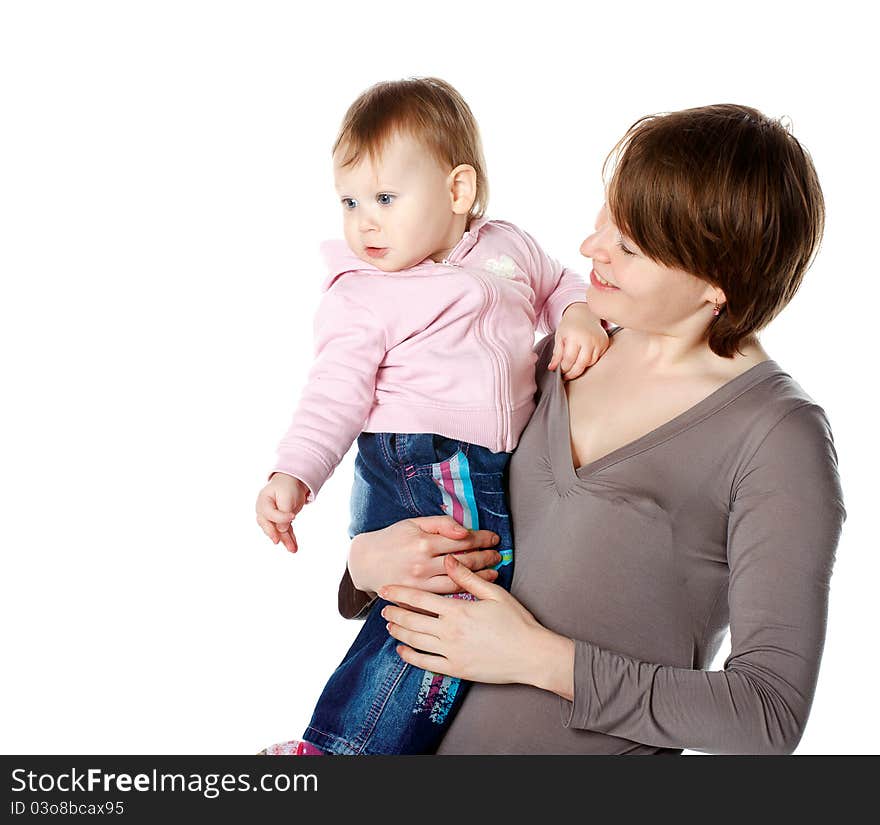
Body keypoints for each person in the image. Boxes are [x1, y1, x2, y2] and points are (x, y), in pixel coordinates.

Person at [310, 103, 845, 755]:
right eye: (605, 221)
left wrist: (538, 658)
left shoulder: (778, 437)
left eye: (630, 246)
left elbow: (767, 714)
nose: (592, 249)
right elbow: (443, 509)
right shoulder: (554, 358)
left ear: (716, 284)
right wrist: (365, 563)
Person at [255, 77, 609, 755]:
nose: (364, 221)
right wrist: (294, 472)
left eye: (386, 198)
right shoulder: (363, 295)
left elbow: (562, 283)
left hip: (477, 460)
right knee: (454, 605)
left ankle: (340, 739)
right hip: (424, 454)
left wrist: (577, 313)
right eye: (350, 201)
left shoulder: (508, 247)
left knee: (430, 607)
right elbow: (333, 391)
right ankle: (341, 750)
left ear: (458, 192)